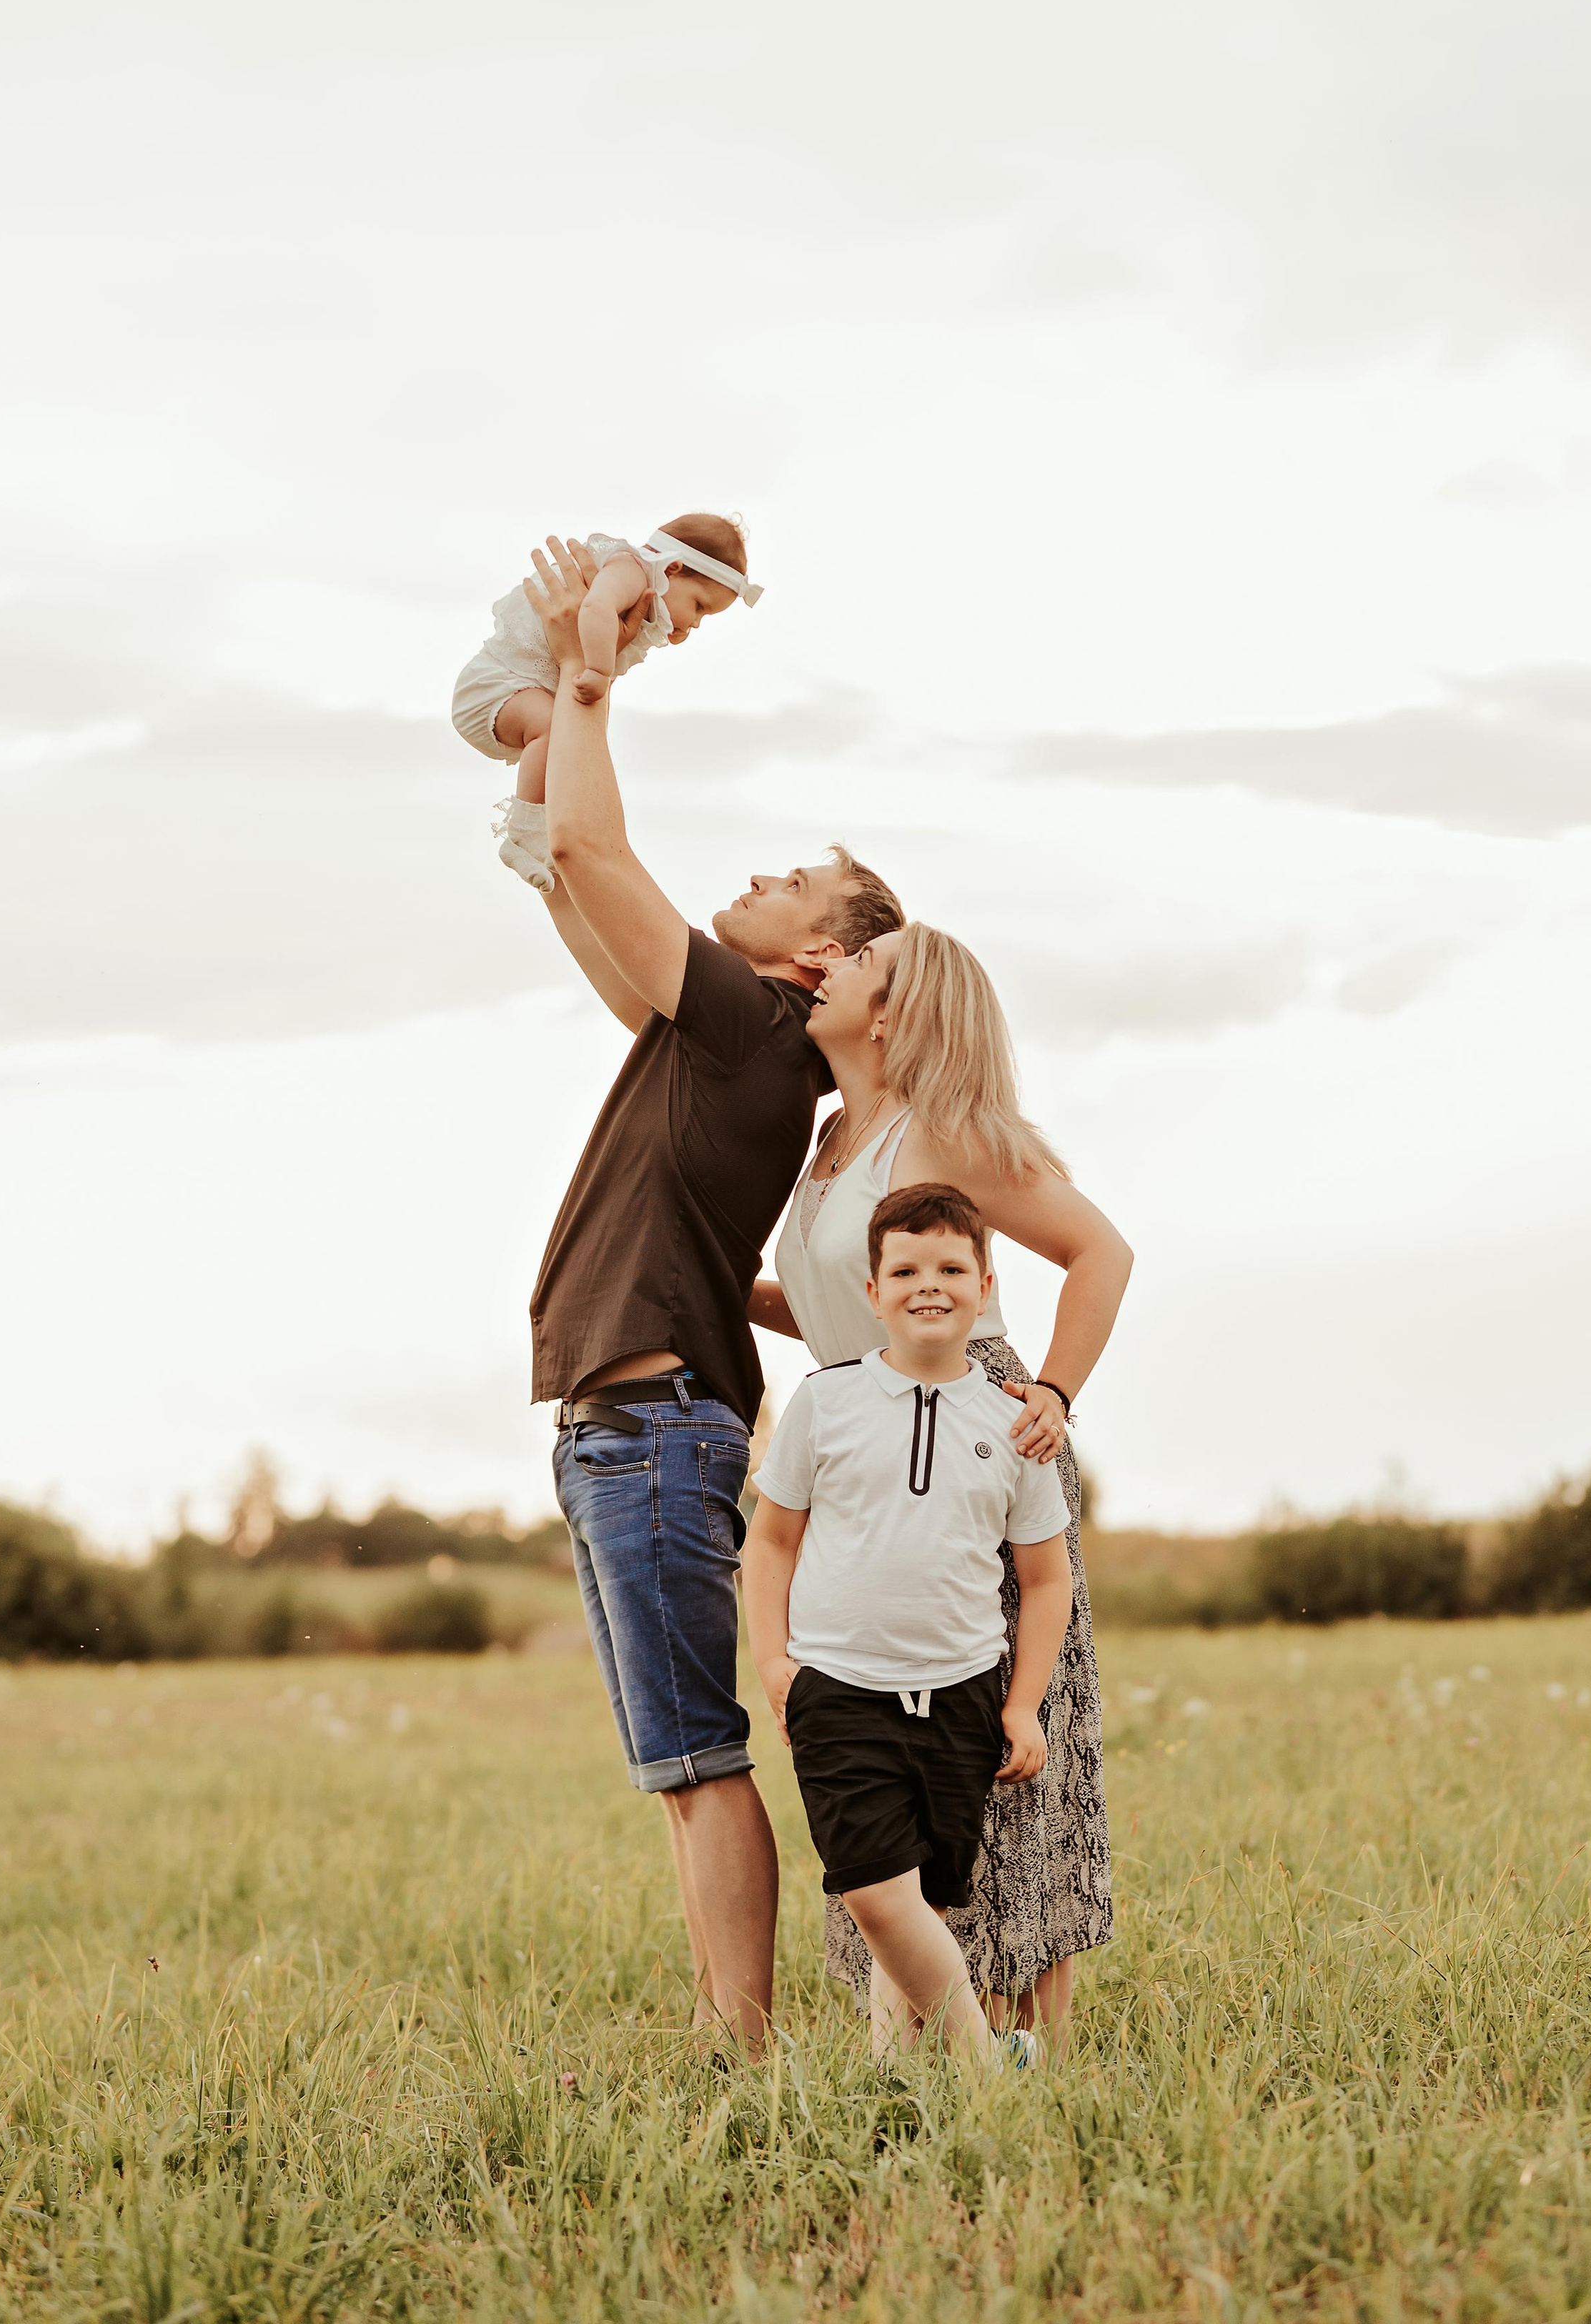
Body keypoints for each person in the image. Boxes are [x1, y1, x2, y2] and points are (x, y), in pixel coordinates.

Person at [516, 535, 902, 2050]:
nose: (753, 879)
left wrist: (591, 686)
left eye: (788, 882)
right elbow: (586, 894)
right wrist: (542, 798)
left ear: (816, 956)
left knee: (700, 1758)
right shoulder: (713, 1034)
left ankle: (740, 2049)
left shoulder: (752, 1027)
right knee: (678, 1766)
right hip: (631, 1422)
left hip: (660, 1428)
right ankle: (725, 2034)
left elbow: (606, 865)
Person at [753, 922, 1131, 2045]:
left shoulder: (947, 1131)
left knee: (999, 1743)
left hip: (975, 1424)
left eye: (853, 966)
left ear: (891, 1014)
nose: (825, 972)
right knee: (870, 1728)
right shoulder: (829, 1137)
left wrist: (1053, 1395)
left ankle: (1024, 2051)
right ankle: (919, 2048)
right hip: (858, 1424)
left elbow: (1102, 1253)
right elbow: (836, 1300)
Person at [743, 1181, 1074, 2071]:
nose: (929, 1284)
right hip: (840, 1687)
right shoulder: (826, 1401)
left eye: (950, 1267)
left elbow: (1046, 1583)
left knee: (921, 1897)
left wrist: (1024, 1706)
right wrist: (773, 1663)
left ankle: (894, 2081)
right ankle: (986, 2062)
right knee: (874, 1894)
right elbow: (770, 1542)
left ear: (985, 1283)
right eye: (905, 1269)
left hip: (963, 1691)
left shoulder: (1016, 1424)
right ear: (873, 1291)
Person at [451, 515, 761, 890]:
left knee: (568, 749)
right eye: (698, 606)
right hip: (495, 686)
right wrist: (598, 670)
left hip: (521, 694)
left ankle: (536, 839)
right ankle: (524, 832)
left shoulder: (648, 593)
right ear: (673, 568)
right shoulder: (630, 568)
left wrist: (664, 632)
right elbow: (595, 608)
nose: (696, 623)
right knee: (554, 731)